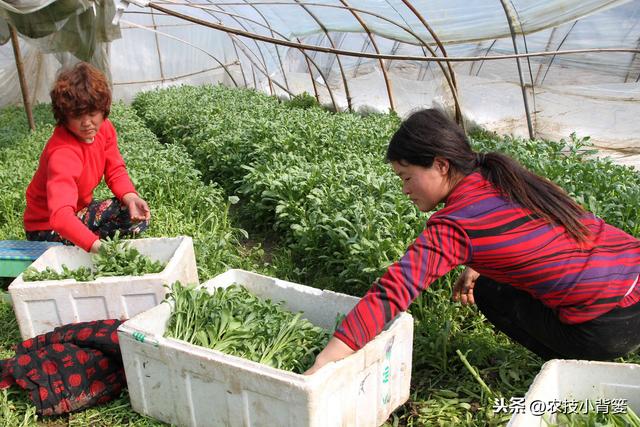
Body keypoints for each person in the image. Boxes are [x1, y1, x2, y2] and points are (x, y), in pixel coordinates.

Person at [305, 108, 640, 375]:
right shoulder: (501, 177)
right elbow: (519, 233)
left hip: (606, 327)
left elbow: (392, 292)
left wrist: (324, 362)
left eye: (407, 178)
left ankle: (571, 373)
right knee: (493, 280)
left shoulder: (453, 227)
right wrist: (477, 264)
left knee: (489, 293)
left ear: (440, 165)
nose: (405, 189)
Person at [23, 62, 150, 254]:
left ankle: (83, 241)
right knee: (96, 236)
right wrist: (97, 247)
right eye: (77, 115)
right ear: (64, 116)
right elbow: (60, 217)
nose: (87, 123)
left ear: (103, 109)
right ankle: (85, 243)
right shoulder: (63, 152)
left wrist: (131, 197)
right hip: (46, 228)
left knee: (132, 213)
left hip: (78, 211)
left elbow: (115, 170)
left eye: (92, 114)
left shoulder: (104, 129)